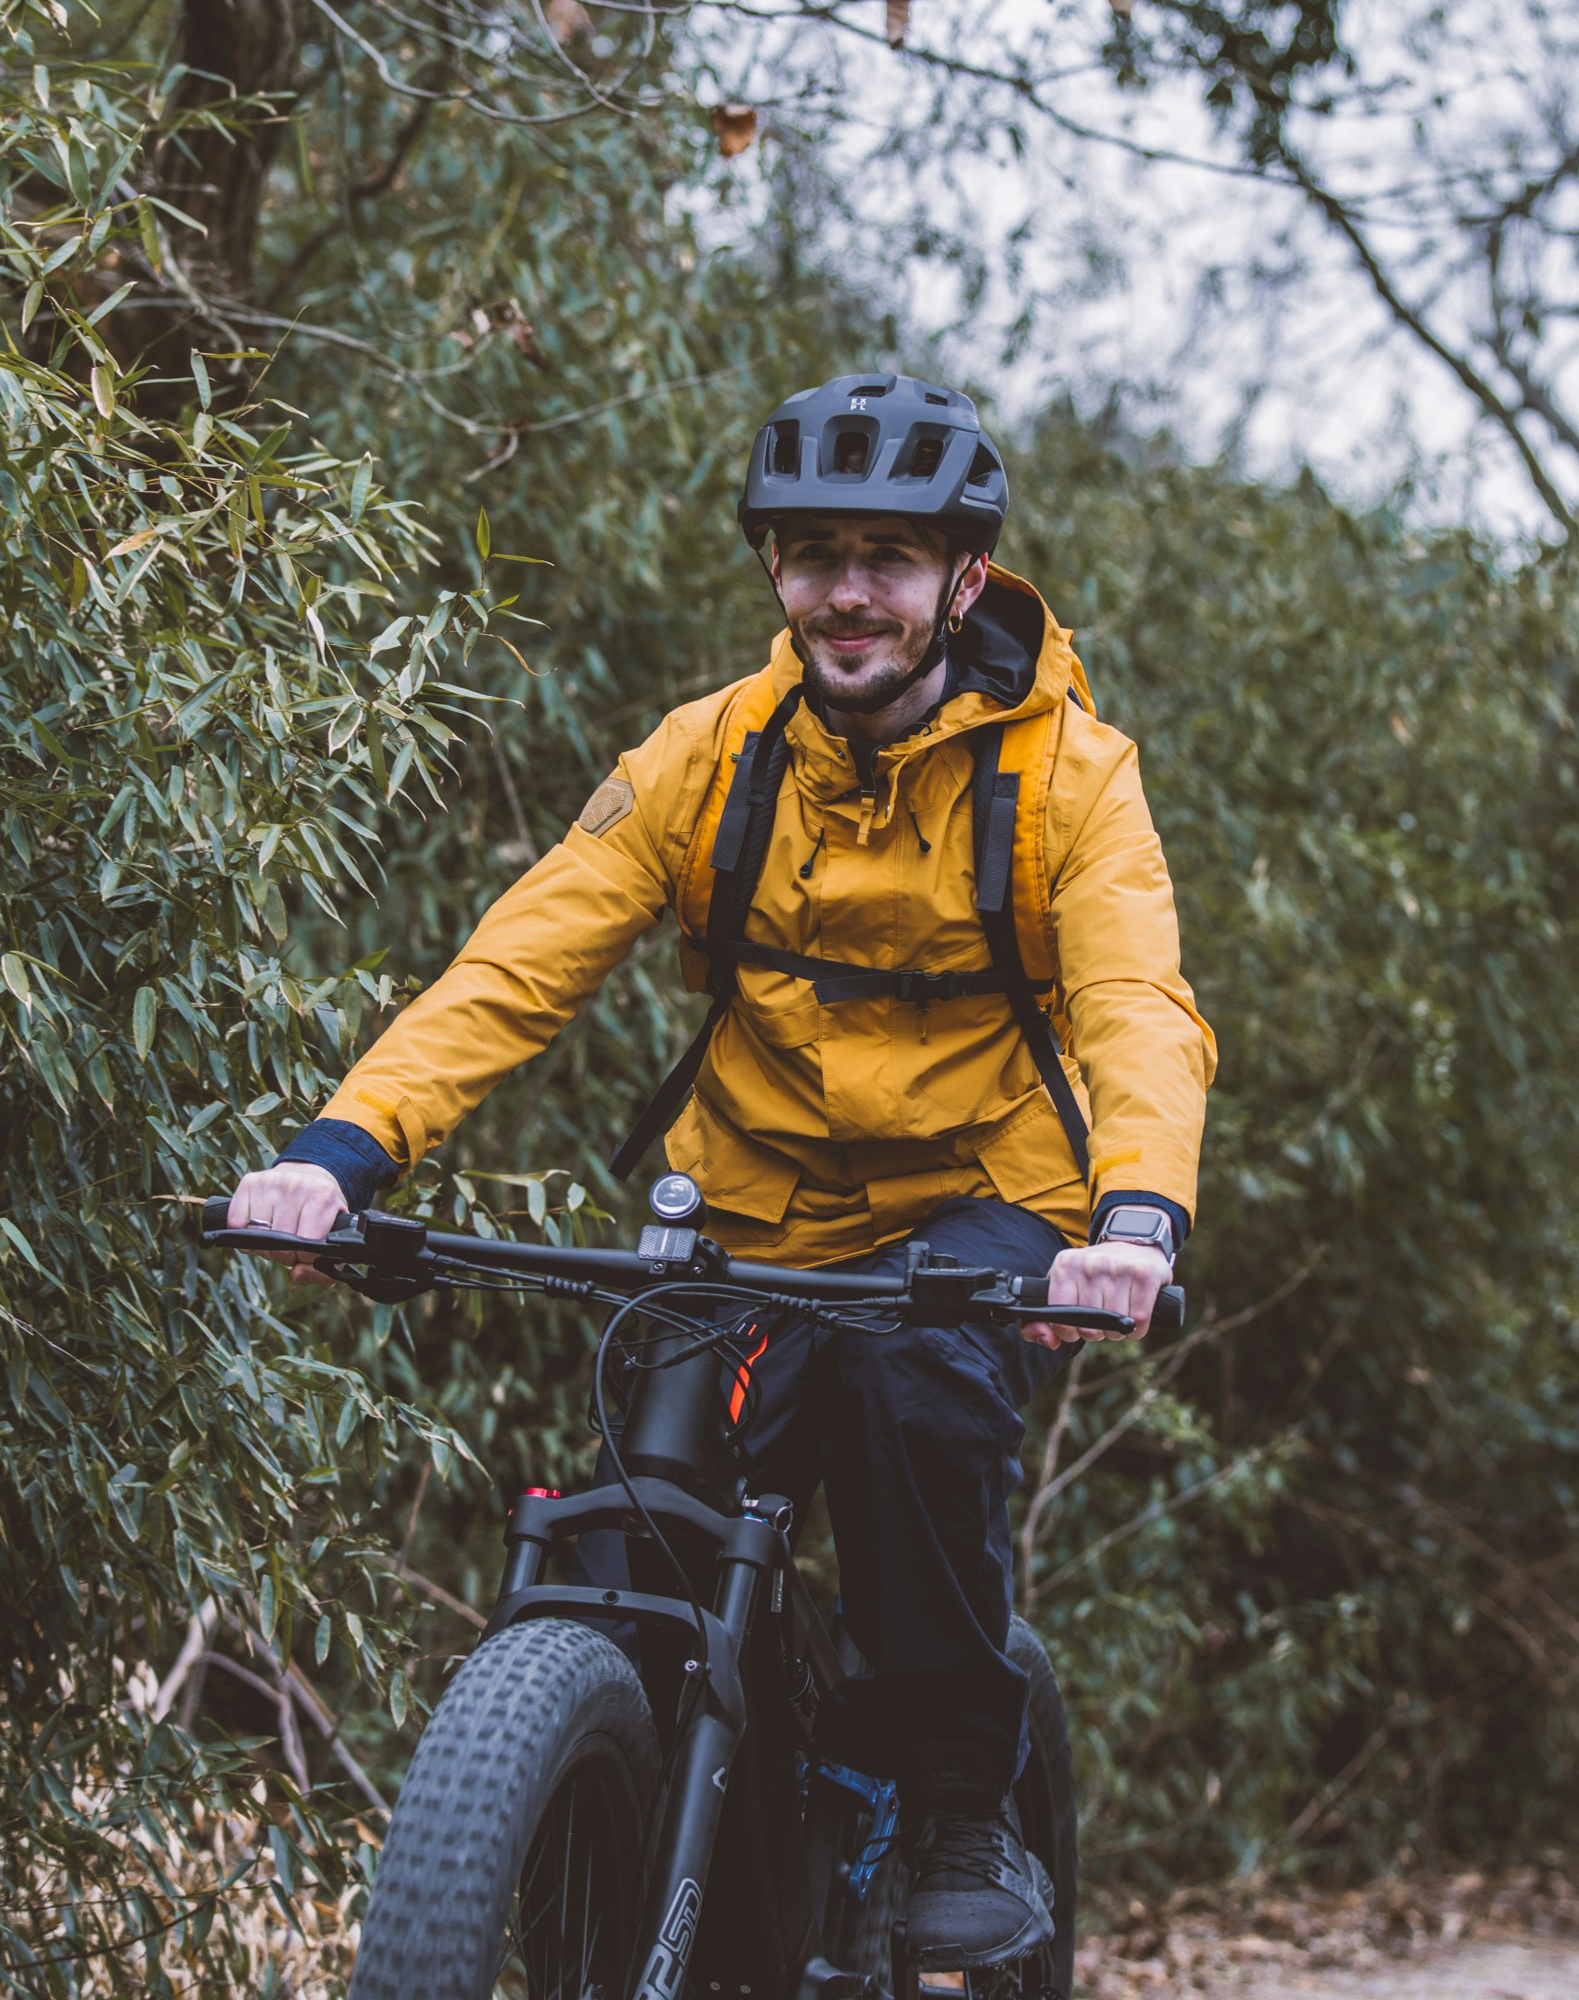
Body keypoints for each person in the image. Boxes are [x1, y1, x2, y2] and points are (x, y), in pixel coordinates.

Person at [224, 372, 1215, 1970]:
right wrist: (343, 1149)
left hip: (982, 1215)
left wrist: (1133, 1217)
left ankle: (959, 1794)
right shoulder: (708, 753)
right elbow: (521, 959)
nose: (846, 592)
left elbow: (1135, 1008)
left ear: (965, 579)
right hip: (745, 1212)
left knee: (917, 1399)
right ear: (774, 568)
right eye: (812, 552)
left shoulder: (1072, 777)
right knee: (633, 1542)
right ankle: (600, 1855)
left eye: (888, 559)